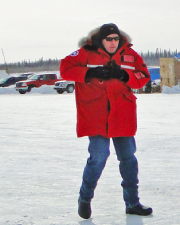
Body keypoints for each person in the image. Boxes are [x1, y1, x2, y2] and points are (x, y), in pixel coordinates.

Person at [60, 23, 153, 218]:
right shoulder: (86, 52)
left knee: (128, 159)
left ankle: (132, 203)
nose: (113, 43)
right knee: (99, 157)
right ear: (101, 40)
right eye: (109, 39)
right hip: (96, 115)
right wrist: (89, 73)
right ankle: (84, 198)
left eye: (115, 39)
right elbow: (65, 68)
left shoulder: (130, 54)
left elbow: (144, 76)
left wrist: (124, 75)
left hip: (122, 114)